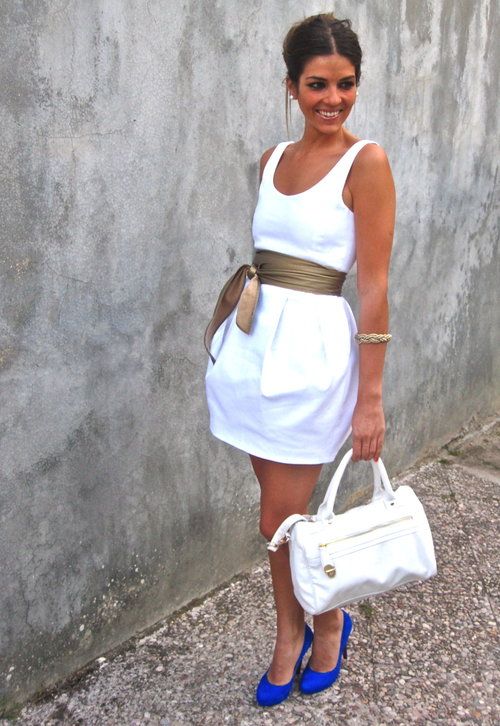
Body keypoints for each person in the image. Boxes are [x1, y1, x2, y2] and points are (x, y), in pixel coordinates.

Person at [205, 13, 395, 707]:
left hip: (313, 361)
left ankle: (302, 631)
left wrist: (370, 400)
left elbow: (373, 287)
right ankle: (323, 616)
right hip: (254, 352)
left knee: (277, 521)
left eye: (346, 84)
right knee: (283, 516)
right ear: (291, 86)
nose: (333, 99)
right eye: (317, 84)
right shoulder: (271, 160)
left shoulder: (367, 163)